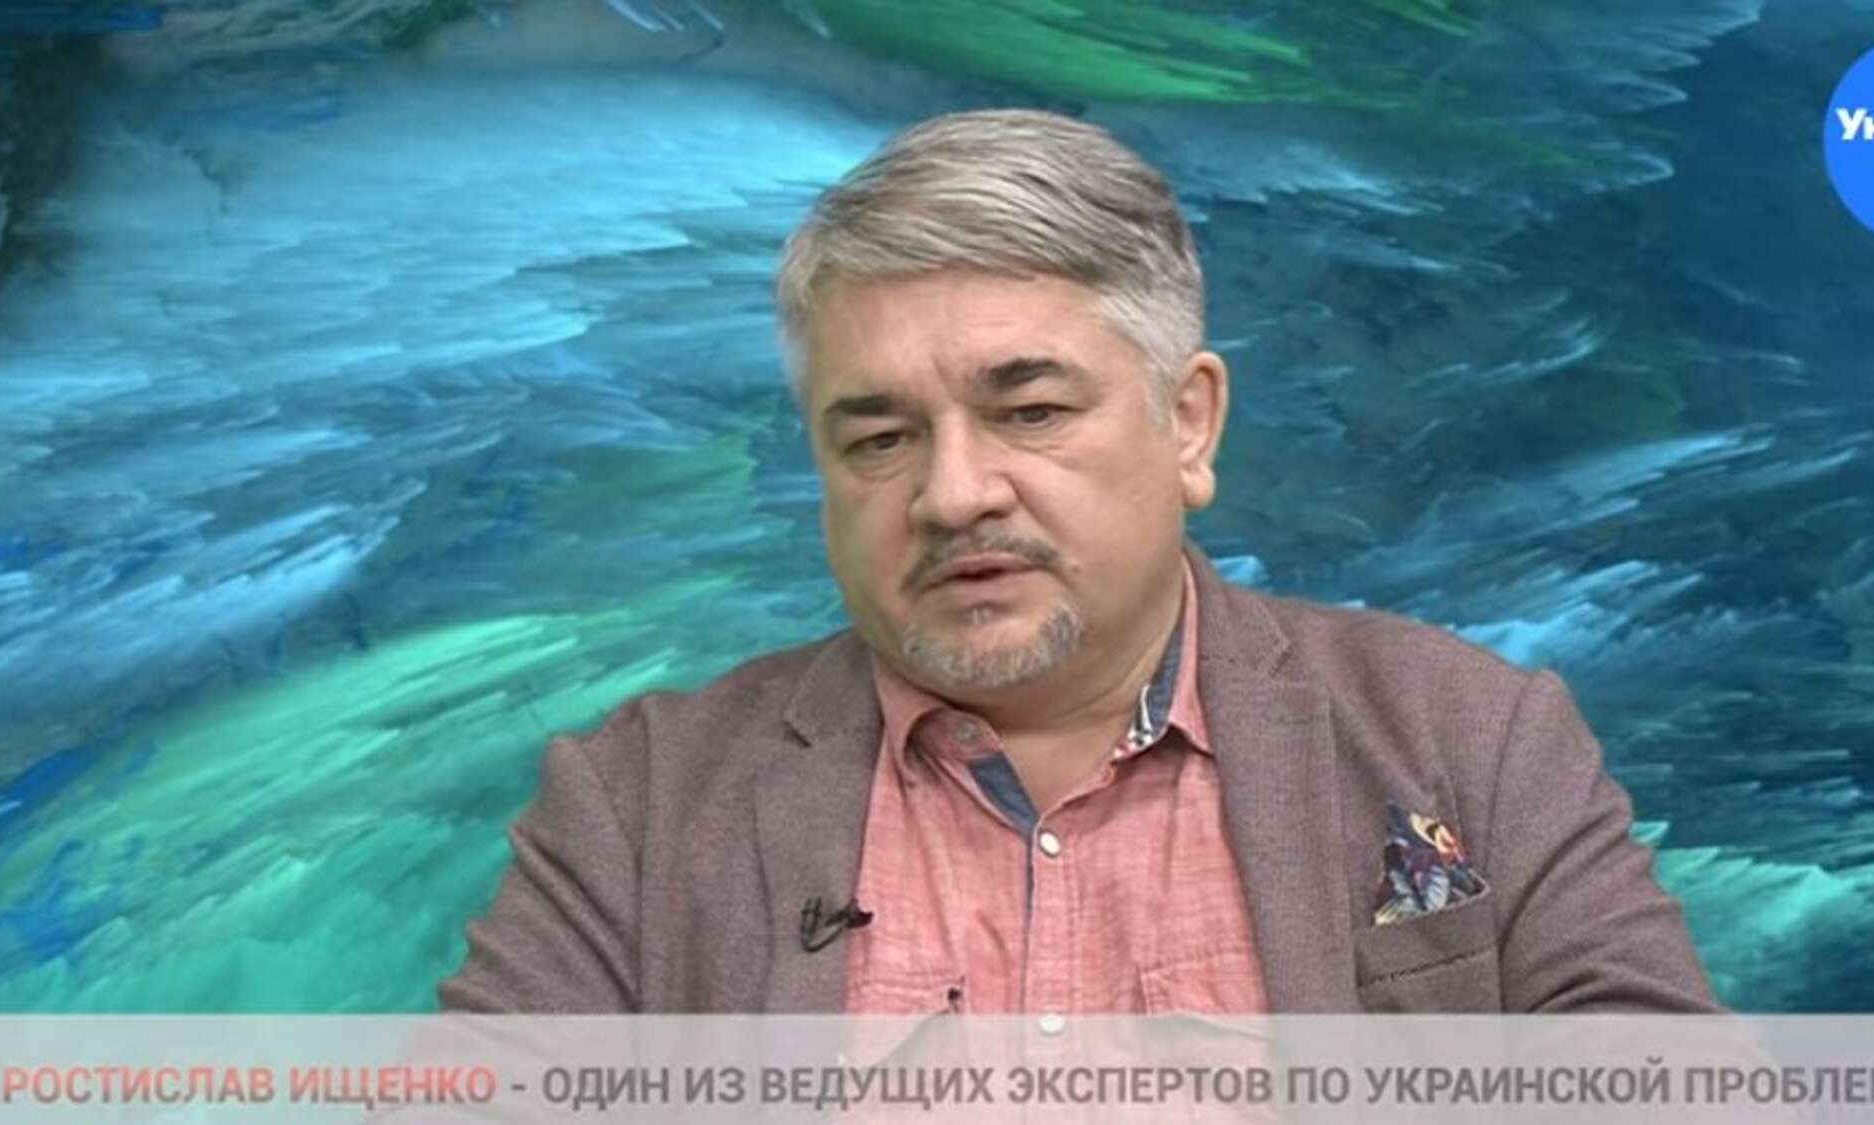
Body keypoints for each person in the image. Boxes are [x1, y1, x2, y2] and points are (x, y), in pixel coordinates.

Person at [437, 108, 1722, 1015]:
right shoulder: (641, 806)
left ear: (1187, 424)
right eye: (879, 439)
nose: (953, 493)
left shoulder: (1465, 740)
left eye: (1030, 411)